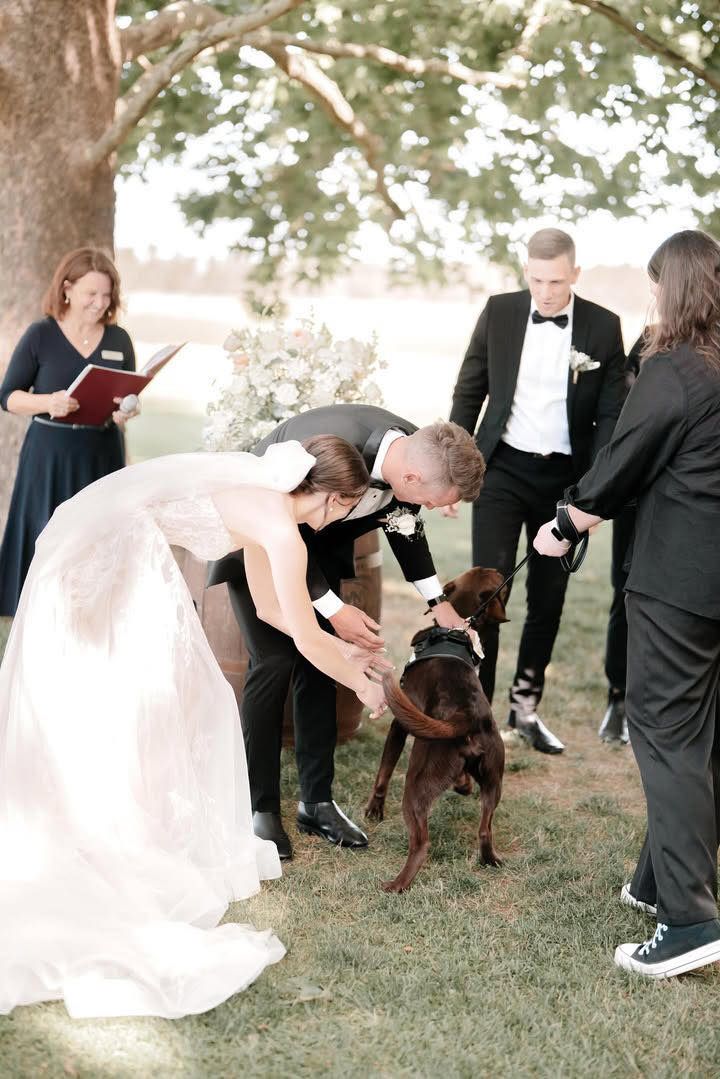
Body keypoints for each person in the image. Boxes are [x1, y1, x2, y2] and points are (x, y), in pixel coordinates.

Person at [0, 436, 388, 1018]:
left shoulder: (273, 508)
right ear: (335, 498)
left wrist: (346, 653)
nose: (346, 518)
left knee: (141, 691)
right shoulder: (283, 530)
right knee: (143, 689)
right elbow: (303, 635)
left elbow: (273, 611)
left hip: (108, 538)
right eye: (349, 507)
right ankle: (95, 827)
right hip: (105, 553)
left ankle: (101, 814)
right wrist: (361, 683)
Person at [534, 229, 720, 978]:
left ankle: (688, 920)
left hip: (678, 582)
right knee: (700, 735)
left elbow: (623, 462)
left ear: (671, 290)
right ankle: (657, 879)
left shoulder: (674, 370)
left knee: (666, 736)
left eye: (654, 286)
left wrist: (566, 519)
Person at [208, 406, 486, 859]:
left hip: (315, 549)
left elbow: (405, 524)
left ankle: (316, 802)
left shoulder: (422, 452)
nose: (434, 510)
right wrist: (333, 611)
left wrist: (438, 603)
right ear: (412, 478)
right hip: (258, 540)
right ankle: (259, 808)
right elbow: (278, 531)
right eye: (435, 501)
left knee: (322, 671)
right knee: (275, 661)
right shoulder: (321, 448)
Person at [450, 227, 626, 754]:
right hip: (500, 471)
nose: (545, 291)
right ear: (526, 272)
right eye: (535, 279)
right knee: (488, 593)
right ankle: (478, 716)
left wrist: (589, 493)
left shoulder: (603, 326)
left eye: (555, 280)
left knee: (549, 598)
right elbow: (469, 389)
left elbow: (611, 415)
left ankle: (525, 708)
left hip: (564, 483)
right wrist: (457, 470)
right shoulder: (500, 312)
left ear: (575, 274)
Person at [0, 247, 140, 616]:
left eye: (106, 295)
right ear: (67, 289)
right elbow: (9, 396)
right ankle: (41, 616)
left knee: (99, 540)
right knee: (47, 537)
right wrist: (48, 402)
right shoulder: (40, 335)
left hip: (101, 453)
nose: (99, 303)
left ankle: (93, 619)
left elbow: (124, 394)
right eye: (91, 293)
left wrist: (127, 409)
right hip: (50, 454)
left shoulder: (119, 340)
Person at [598, 337, 644, 744]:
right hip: (636, 495)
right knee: (625, 590)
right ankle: (619, 695)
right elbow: (624, 419)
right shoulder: (651, 340)